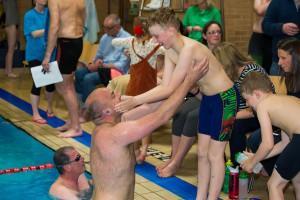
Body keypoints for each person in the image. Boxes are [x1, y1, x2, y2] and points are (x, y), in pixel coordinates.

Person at [115, 8, 238, 199]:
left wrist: (135, 100)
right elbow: (165, 86)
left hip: (226, 99)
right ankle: (200, 196)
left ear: (171, 29)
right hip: (208, 99)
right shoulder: (172, 51)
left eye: (157, 35)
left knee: (215, 155)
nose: (155, 40)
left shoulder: (189, 49)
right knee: (202, 153)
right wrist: (134, 100)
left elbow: (170, 89)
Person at [82, 59, 208, 200]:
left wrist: (180, 85)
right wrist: (188, 82)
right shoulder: (115, 134)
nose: (118, 93)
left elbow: (155, 106)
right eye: (113, 95)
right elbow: (162, 116)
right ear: (106, 112)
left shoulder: (112, 126)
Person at [157, 22, 223, 177]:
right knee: (181, 112)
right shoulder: (198, 49)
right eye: (212, 32)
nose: (216, 35)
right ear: (205, 36)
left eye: (218, 32)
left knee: (193, 116)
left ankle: (177, 162)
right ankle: (173, 158)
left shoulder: (225, 51)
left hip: (214, 97)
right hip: (201, 94)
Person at [239, 72, 300, 200]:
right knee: (297, 180)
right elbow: (284, 144)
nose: (247, 104)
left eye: (247, 99)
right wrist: (255, 157)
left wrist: (252, 163)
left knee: (274, 185)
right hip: (297, 137)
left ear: (257, 94)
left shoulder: (263, 105)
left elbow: (267, 143)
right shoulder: (283, 100)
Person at [112, 16, 164, 163]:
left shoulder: (130, 42)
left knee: (132, 120)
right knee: (146, 120)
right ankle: (144, 151)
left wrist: (129, 47)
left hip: (134, 86)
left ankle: (134, 150)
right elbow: (168, 51)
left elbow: (114, 42)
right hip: (149, 88)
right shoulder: (155, 45)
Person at [246, 38, 300, 175]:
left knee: (260, 140)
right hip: (292, 126)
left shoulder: (263, 105)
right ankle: (278, 172)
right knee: (254, 139)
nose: (280, 63)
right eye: (278, 58)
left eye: (283, 58)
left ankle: (277, 172)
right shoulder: (290, 78)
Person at [212, 42, 271, 166]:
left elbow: (256, 108)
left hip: (263, 114)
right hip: (248, 112)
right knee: (216, 120)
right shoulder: (235, 74)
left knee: (235, 125)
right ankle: (217, 163)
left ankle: (237, 166)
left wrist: (231, 117)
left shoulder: (251, 73)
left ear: (226, 62)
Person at [42, 0, 85, 138]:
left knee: (65, 87)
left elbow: (54, 27)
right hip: (77, 41)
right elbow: (83, 19)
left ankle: (76, 127)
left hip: (66, 43)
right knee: (67, 85)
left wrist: (48, 55)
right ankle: (72, 121)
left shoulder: (55, 1)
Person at [75, 14, 131, 103]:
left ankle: (88, 106)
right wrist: (93, 64)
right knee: (79, 73)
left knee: (88, 79)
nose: (105, 30)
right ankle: (80, 101)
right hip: (102, 66)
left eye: (108, 28)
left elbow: (121, 66)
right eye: (104, 27)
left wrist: (102, 65)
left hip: (115, 71)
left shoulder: (128, 39)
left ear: (117, 27)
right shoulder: (105, 37)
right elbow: (99, 55)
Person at [24, 0, 55, 125]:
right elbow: (34, 33)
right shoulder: (29, 15)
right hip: (35, 54)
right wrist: (50, 29)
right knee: (38, 83)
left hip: (49, 53)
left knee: (50, 84)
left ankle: (49, 106)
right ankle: (35, 113)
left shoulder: (50, 12)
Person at [262, 0, 300, 75]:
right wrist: (281, 28)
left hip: (298, 60)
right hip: (279, 62)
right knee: (278, 86)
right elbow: (265, 25)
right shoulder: (277, 2)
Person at [248, 0, 272, 74]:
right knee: (254, 69)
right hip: (258, 38)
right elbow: (259, 10)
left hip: (273, 38)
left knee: (270, 70)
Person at [2, 0, 19, 78]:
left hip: (11, 23)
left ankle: (7, 70)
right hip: (10, 24)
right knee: (11, 49)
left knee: (10, 48)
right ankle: (9, 71)